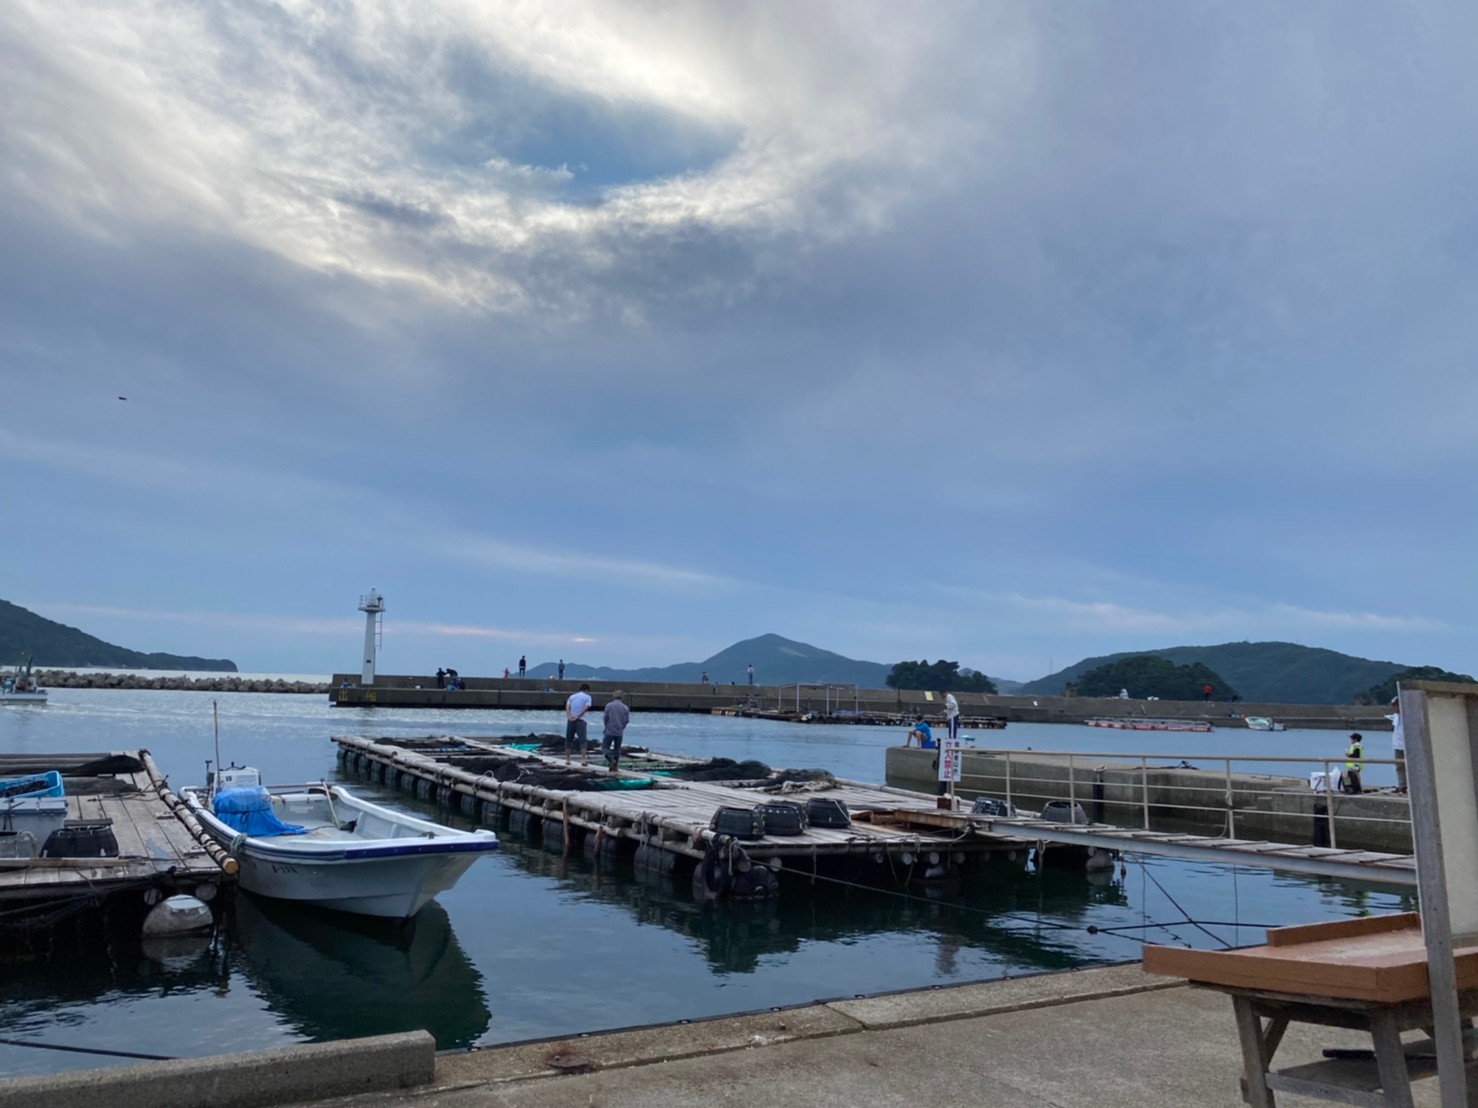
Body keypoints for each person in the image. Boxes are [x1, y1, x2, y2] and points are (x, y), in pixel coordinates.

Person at [602, 689, 631, 772]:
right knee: (617, 749)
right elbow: (626, 720)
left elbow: (605, 718)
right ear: (622, 697)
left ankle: (611, 761)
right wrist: (622, 727)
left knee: (605, 748)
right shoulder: (625, 707)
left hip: (609, 730)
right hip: (619, 731)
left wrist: (606, 725)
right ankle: (615, 766)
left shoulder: (609, 705)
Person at [565, 683, 592, 766]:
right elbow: (586, 708)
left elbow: (567, 706)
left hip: (571, 720)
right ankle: (583, 760)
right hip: (580, 720)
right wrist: (578, 716)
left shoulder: (572, 696)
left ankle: (568, 759)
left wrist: (569, 716)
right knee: (583, 740)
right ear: (587, 690)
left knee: (569, 739)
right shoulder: (588, 697)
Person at [1388, 705, 1406, 792]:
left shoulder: (1407, 714)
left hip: (1407, 744)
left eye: (1395, 706)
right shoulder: (1396, 716)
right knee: (1399, 765)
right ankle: (1402, 785)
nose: (1394, 708)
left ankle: (1409, 785)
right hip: (1398, 745)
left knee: (1409, 765)